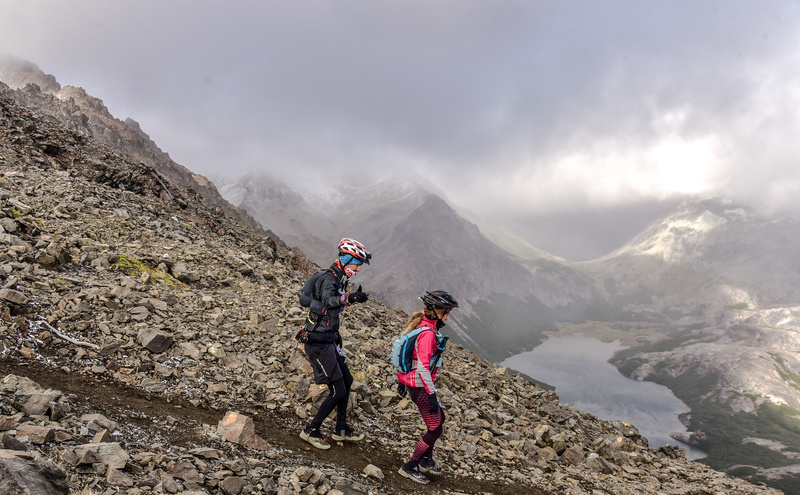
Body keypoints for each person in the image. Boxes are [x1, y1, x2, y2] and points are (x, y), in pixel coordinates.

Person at [298, 238, 371, 449]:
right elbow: (329, 302)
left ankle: (341, 428)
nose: (358, 268)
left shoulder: (339, 278)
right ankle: (311, 430)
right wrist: (350, 298)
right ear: (346, 258)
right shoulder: (329, 279)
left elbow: (331, 312)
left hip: (329, 339)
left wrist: (336, 334)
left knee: (347, 381)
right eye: (357, 263)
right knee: (337, 390)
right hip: (317, 343)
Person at [396, 290, 458, 484]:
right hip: (421, 387)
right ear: (434, 311)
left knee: (440, 419)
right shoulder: (428, 334)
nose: (447, 317)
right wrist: (431, 394)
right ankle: (410, 466)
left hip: (416, 384)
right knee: (435, 429)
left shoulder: (422, 326)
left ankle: (425, 459)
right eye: (445, 313)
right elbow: (423, 367)